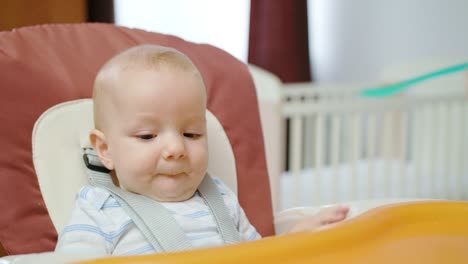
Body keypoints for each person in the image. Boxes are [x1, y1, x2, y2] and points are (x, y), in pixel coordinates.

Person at [55, 44, 349, 256]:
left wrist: (295, 239)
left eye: (191, 133)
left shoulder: (219, 199)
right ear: (105, 150)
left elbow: (258, 255)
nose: (175, 148)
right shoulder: (99, 210)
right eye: (147, 136)